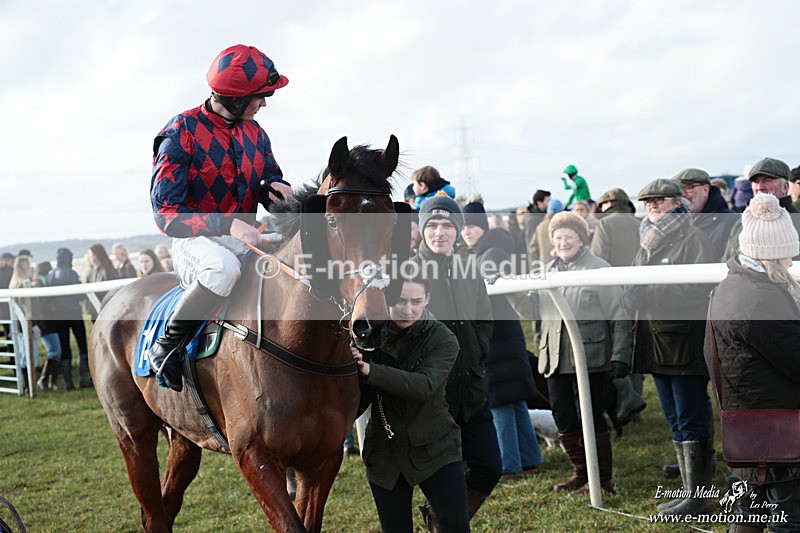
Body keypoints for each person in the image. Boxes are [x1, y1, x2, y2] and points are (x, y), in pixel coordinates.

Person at [148, 44, 292, 391]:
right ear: (237, 98)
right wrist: (226, 223)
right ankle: (166, 345)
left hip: (244, 237)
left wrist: (277, 191)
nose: (265, 103)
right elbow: (167, 215)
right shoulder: (181, 131)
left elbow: (269, 176)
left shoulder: (256, 133)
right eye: (260, 96)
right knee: (223, 267)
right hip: (193, 242)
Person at [509, 212, 631, 494]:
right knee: (563, 416)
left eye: (569, 237)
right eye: (558, 237)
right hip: (554, 358)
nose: (563, 242)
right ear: (551, 240)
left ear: (582, 238)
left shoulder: (598, 268)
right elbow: (532, 311)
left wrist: (621, 355)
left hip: (591, 358)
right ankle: (581, 474)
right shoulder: (546, 270)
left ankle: (602, 480)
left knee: (589, 415)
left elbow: (620, 314)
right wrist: (512, 291)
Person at [622, 178, 717, 516]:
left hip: (684, 342)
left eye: (658, 200)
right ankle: (692, 491)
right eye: (647, 201)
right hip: (655, 340)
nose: (652, 206)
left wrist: (647, 292)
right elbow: (635, 281)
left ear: (676, 202)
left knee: (690, 415)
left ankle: (700, 497)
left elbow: (697, 288)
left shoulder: (694, 238)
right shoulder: (645, 239)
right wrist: (631, 292)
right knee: (674, 418)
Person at [706, 193, 800, 530]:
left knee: (750, 509)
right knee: (790, 518)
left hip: (748, 422)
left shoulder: (732, 284)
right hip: (777, 432)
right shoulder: (761, 298)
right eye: (787, 253)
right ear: (773, 254)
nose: (791, 261)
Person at [354, 276, 469, 533]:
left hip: (437, 447)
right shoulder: (366, 335)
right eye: (400, 301)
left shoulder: (443, 338)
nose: (408, 309)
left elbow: (424, 386)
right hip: (384, 453)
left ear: (427, 299)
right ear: (386, 300)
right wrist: (345, 367)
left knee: (455, 525)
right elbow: (352, 404)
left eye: (416, 301)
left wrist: (370, 370)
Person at [413, 196, 500, 530]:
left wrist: (477, 350)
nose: (440, 233)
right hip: (435, 396)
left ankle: (439, 518)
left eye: (447, 225)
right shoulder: (407, 270)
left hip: (473, 389)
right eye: (432, 226)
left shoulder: (470, 268)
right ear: (422, 230)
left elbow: (484, 318)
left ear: (458, 230)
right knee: (444, 478)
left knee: (489, 467)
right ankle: (447, 520)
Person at [461, 202, 543, 477]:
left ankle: (509, 464)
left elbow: (478, 291)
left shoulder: (490, 253)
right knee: (514, 400)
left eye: (471, 226)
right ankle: (530, 457)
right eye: (463, 228)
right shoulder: (483, 251)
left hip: (496, 335)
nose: (466, 232)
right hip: (503, 332)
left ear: (482, 227)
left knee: (499, 400)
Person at [724, 158, 800, 260]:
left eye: (767, 181)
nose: (759, 187)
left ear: (785, 187)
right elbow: (727, 261)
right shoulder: (741, 222)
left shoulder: (796, 221)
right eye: (755, 182)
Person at [47, 247, 89, 390]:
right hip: (74, 314)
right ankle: (84, 378)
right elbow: (81, 295)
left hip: (58, 316)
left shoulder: (50, 275)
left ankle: (68, 382)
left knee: (64, 347)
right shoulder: (71, 273)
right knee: (82, 345)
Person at [674, 168, 736, 261]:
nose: (683, 194)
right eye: (678, 190)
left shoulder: (733, 222)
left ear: (706, 189)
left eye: (688, 188)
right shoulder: (672, 225)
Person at [31, 261, 61, 390]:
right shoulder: (38, 284)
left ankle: (50, 381)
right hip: (45, 323)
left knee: (56, 352)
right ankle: (44, 380)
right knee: (54, 351)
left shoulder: (41, 282)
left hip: (49, 322)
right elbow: (38, 307)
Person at [84, 243, 119, 323]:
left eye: (91, 254)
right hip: (97, 309)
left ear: (97, 254)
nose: (89, 256)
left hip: (107, 309)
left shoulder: (109, 270)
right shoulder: (94, 270)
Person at [530, 198, 564, 263]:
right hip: (563, 264)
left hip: (545, 264)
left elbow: (533, 248)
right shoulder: (566, 224)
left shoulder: (540, 226)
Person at [523, 190, 551, 261]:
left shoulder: (539, 214)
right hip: (537, 261)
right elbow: (531, 245)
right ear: (539, 203)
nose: (550, 204)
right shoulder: (532, 219)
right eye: (547, 201)